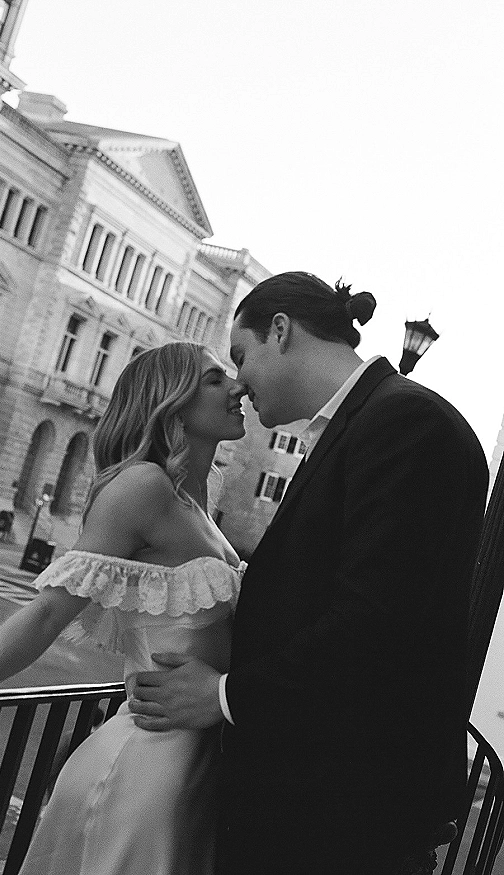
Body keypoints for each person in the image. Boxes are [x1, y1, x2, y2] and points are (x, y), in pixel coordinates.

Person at [129, 273, 489, 875]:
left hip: (340, 808)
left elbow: (378, 622)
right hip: (322, 798)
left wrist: (221, 695)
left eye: (241, 357)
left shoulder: (403, 424)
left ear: (281, 330)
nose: (239, 383)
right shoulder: (372, 421)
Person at [0, 342, 247, 875]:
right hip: (147, 769)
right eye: (215, 379)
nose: (237, 387)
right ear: (172, 400)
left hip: (198, 764)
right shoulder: (142, 487)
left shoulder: (196, 506)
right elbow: (51, 610)